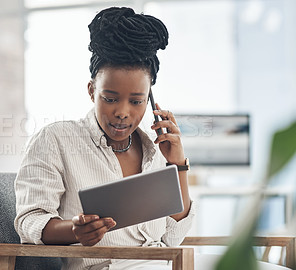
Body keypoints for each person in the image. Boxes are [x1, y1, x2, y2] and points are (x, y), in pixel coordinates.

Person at [15, 6, 195, 270]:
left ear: (150, 100)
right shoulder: (56, 139)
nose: (123, 112)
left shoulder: (155, 150)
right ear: (91, 91)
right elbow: (28, 221)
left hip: (162, 265)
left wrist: (177, 165)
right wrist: (74, 231)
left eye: (136, 101)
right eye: (110, 99)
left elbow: (172, 237)